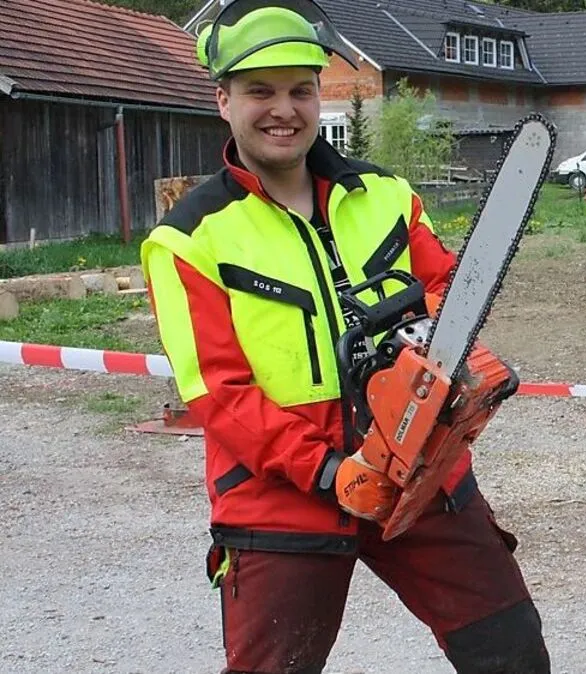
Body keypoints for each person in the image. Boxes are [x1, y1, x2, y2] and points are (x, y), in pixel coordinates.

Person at [140, 1, 549, 671]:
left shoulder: (384, 194)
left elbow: (449, 286)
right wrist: (330, 470)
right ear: (223, 99)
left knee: (511, 651)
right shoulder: (188, 238)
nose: (284, 109)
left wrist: (419, 353)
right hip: (281, 496)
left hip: (420, 470)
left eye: (300, 89)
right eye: (260, 91)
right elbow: (218, 393)